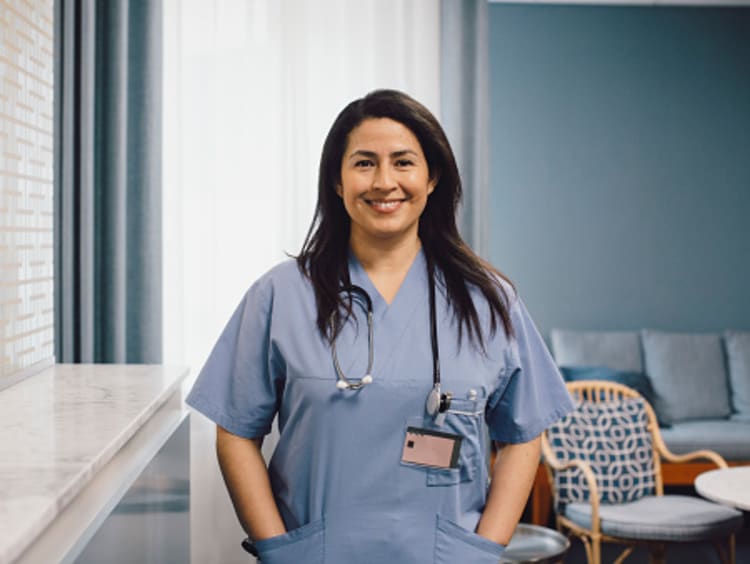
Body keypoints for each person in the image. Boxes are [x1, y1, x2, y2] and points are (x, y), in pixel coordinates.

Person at [186, 89, 573, 564]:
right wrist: (279, 550)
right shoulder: (279, 295)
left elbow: (523, 434)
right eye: (364, 163)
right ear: (337, 179)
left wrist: (483, 549)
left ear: (432, 178)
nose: (384, 182)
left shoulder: (489, 300)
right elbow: (236, 431)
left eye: (404, 162)